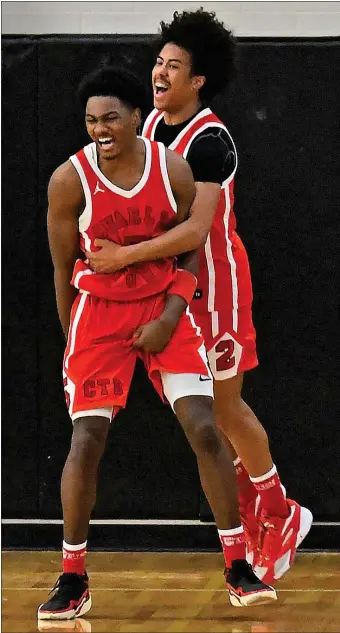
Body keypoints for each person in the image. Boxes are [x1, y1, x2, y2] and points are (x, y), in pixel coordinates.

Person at [37, 66, 276, 620]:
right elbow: (61, 267)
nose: (101, 129)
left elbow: (191, 248)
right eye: (92, 120)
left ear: (136, 118)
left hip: (164, 304)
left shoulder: (172, 170)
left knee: (204, 426)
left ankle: (238, 565)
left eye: (111, 118)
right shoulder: (68, 180)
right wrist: (72, 333)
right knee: (87, 438)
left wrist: (171, 314)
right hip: (98, 314)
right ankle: (73, 576)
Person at [86, 10, 313, 585]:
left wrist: (123, 257)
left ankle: (281, 512)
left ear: (198, 80)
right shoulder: (150, 129)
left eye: (173, 66)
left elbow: (194, 231)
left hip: (217, 288)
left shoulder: (210, 139)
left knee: (226, 408)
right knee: (201, 417)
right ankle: (266, 514)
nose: (159, 73)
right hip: (173, 290)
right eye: (158, 62)